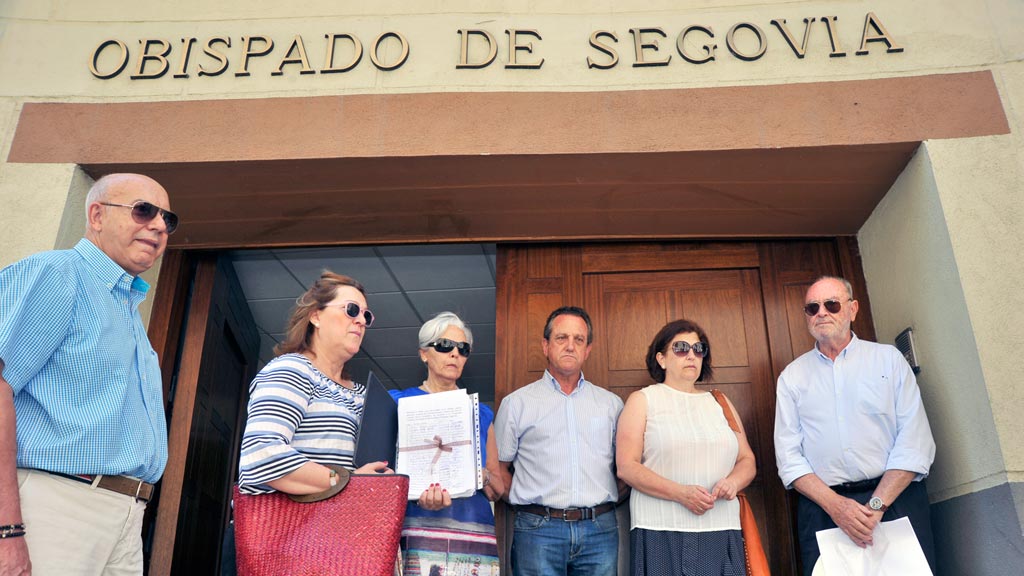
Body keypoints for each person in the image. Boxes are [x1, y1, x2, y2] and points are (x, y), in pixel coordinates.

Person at [0, 173, 177, 575]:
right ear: (96, 215)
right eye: (143, 211)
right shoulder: (56, 274)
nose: (159, 226)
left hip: (126, 513)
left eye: (168, 219)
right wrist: (6, 529)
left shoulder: (125, 305)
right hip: (55, 505)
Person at [774, 276, 936, 574]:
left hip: (895, 502)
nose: (821, 312)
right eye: (812, 308)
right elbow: (788, 457)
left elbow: (915, 442)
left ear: (852, 309)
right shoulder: (792, 377)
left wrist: (875, 507)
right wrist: (838, 507)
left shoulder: (888, 360)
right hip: (825, 509)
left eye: (831, 304)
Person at [617, 319, 755, 576]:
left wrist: (733, 483)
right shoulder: (643, 400)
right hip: (659, 528)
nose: (691, 355)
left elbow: (747, 459)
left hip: (721, 527)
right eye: (680, 348)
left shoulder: (720, 401)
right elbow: (627, 467)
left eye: (698, 349)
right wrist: (680, 493)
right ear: (661, 359)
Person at [494, 306, 625, 576]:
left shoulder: (611, 405)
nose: (570, 346)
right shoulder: (517, 404)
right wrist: (531, 508)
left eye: (579, 340)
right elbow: (500, 469)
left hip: (599, 529)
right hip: (538, 530)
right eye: (561, 338)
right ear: (545, 345)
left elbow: (626, 468)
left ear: (588, 349)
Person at [237, 271, 391, 497]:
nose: (360, 320)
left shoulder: (364, 395)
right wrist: (344, 482)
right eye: (351, 310)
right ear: (316, 316)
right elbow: (261, 454)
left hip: (344, 528)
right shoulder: (292, 369)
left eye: (366, 316)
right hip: (293, 530)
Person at [389, 311, 505, 576]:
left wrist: (479, 475)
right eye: (444, 345)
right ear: (424, 353)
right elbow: (379, 474)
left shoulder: (481, 413)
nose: (455, 353)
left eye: (463, 349)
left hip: (472, 532)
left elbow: (497, 489)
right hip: (417, 531)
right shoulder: (397, 404)